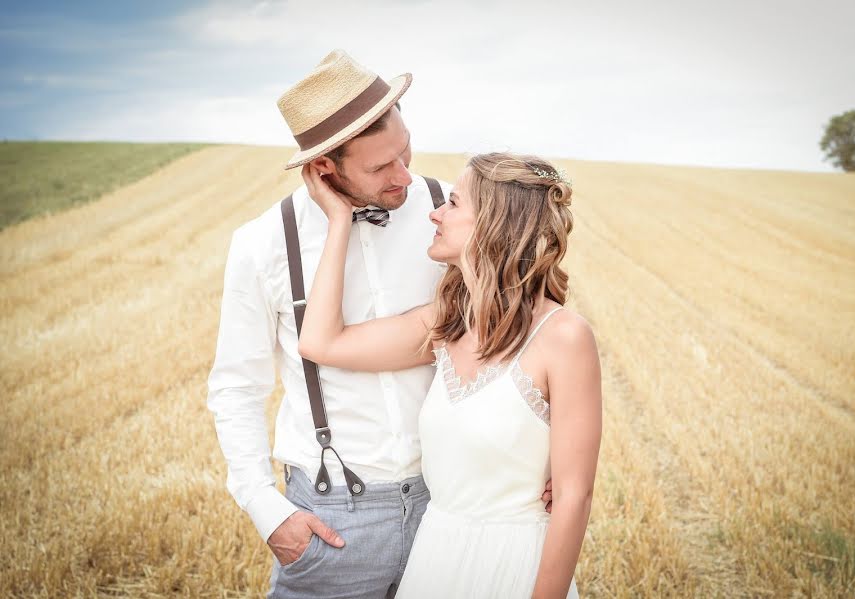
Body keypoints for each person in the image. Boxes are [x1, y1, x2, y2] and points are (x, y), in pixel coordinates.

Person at [207, 50, 555, 598]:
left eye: (405, 150)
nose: (405, 176)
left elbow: (525, 332)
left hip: (450, 505)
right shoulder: (263, 245)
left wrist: (538, 460)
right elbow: (235, 387)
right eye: (379, 168)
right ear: (325, 168)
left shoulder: (452, 212)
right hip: (333, 521)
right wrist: (266, 509)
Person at [298, 152, 603, 598]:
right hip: (435, 560)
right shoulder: (447, 324)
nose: (436, 213)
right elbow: (321, 343)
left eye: (454, 204)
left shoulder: (564, 336)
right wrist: (339, 220)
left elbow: (574, 499)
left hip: (515, 565)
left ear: (495, 224)